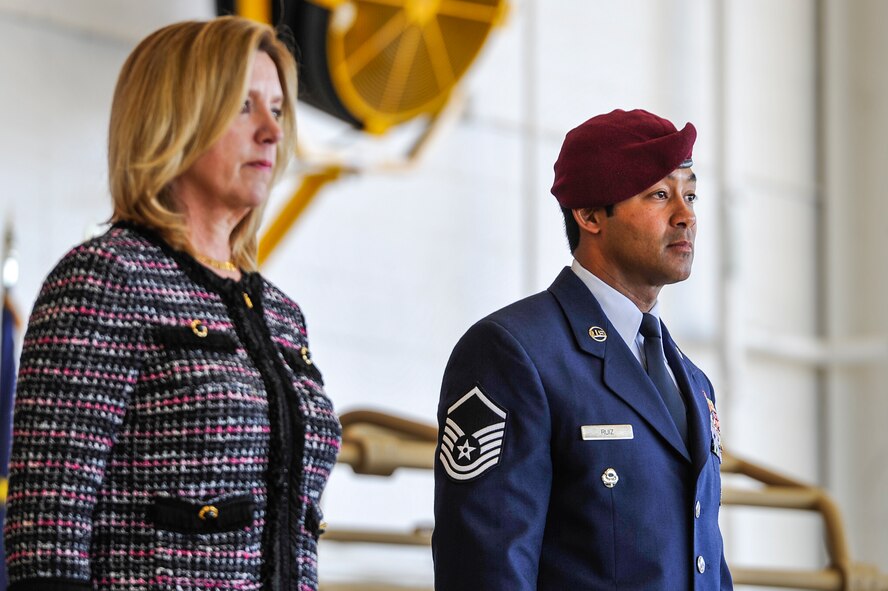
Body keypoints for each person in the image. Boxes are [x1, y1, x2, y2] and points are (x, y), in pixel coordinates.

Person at [3, 17, 341, 591]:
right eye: (243, 106)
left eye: (278, 110)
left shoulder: (282, 314)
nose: (272, 132)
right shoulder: (103, 278)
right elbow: (46, 538)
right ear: (175, 119)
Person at [433, 109, 732, 589]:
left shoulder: (693, 382)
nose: (686, 215)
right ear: (589, 215)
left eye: (690, 193)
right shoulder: (514, 354)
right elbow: (486, 568)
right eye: (659, 194)